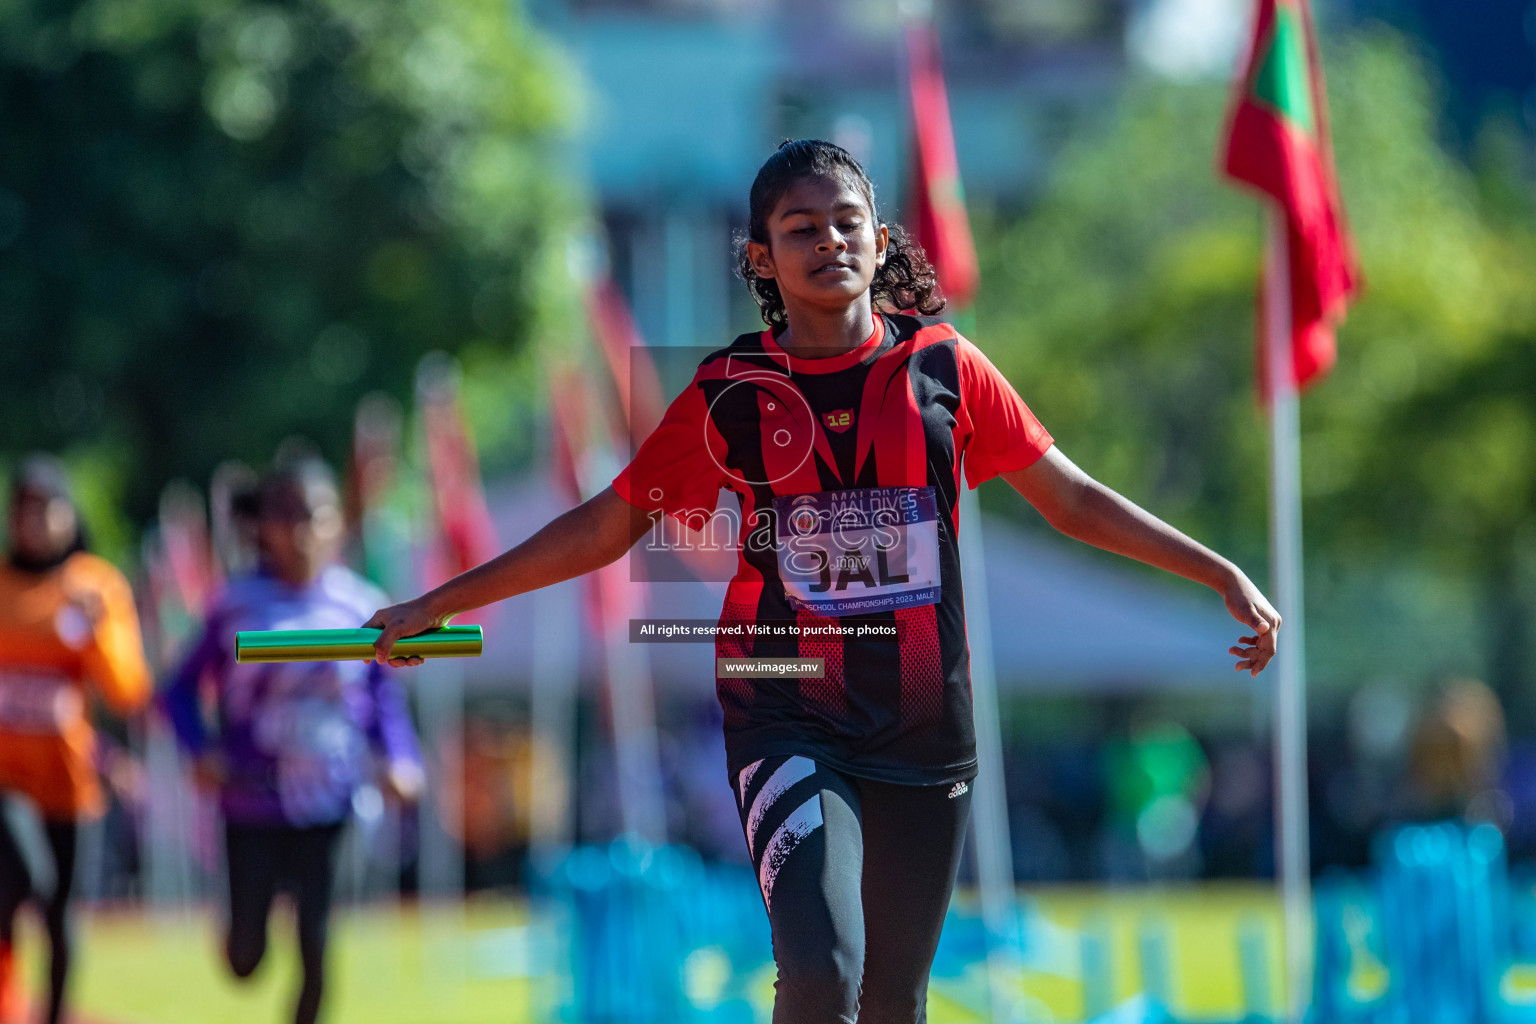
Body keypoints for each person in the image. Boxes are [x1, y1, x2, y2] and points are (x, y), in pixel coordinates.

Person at [365, 139, 1280, 1023]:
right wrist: (438, 600)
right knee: (821, 971)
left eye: (849, 222)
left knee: (892, 1003)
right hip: (785, 711)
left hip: (925, 725)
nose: (830, 241)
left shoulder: (948, 369)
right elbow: (607, 526)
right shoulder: (729, 392)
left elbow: (1072, 499)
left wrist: (1218, 570)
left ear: (882, 241)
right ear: (762, 257)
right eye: (802, 228)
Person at [163, 459, 422, 1024]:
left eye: (314, 516)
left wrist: (401, 760)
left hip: (329, 801)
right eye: (286, 517)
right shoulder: (234, 604)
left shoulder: (362, 605)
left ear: (337, 523)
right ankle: (237, 930)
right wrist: (201, 750)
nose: (301, 531)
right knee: (245, 959)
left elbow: (382, 698)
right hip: (251, 800)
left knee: (317, 944)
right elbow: (177, 689)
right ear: (263, 526)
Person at [0, 455, 152, 1024]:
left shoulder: (94, 586)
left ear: (69, 514)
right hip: (6, 778)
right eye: (23, 508)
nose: (34, 522)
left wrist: (95, 636)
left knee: (61, 912)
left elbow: (128, 690)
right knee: (27, 882)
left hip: (68, 781)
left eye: (46, 508)